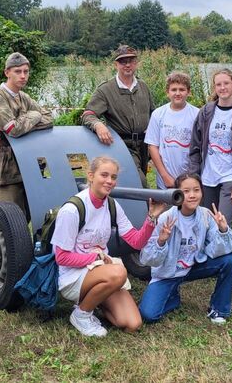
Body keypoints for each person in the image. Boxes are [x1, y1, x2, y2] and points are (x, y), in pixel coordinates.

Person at [51, 156, 167, 337]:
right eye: (104, 175)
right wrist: (96, 257)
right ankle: (81, 314)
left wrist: (152, 217)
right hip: (73, 277)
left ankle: (94, 302)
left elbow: (136, 242)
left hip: (101, 272)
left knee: (132, 323)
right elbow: (62, 258)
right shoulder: (72, 209)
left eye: (113, 177)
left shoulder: (112, 205)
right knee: (119, 272)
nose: (109, 181)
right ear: (90, 176)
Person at [138, 173, 232, 324]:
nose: (192, 195)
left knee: (230, 261)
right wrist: (161, 241)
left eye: (196, 190)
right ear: (177, 194)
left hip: (193, 266)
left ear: (202, 192)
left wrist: (223, 230)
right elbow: (148, 259)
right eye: (186, 191)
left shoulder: (205, 215)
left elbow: (217, 250)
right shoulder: (165, 218)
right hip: (168, 273)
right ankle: (173, 297)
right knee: (148, 315)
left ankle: (219, 309)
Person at [0, 52, 53, 221]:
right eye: (17, 71)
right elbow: (13, 129)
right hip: (8, 166)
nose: (23, 76)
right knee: (11, 219)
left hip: (31, 162)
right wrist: (35, 116)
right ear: (7, 72)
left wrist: (26, 123)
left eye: (26, 71)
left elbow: (50, 119)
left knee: (37, 214)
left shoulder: (24, 97)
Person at [81, 45, 154, 186]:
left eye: (131, 60)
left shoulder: (143, 87)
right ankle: (146, 207)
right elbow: (88, 114)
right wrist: (98, 125)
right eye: (122, 61)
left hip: (144, 146)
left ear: (136, 63)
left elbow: (154, 114)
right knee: (140, 183)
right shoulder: (105, 90)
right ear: (116, 64)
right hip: (122, 146)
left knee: (134, 183)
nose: (127, 65)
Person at [188, 68, 232, 229]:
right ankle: (207, 255)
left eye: (226, 83)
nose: (222, 88)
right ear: (214, 88)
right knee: (206, 223)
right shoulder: (206, 112)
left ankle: (227, 254)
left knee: (223, 223)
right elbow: (195, 146)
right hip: (208, 176)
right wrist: (194, 176)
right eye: (218, 84)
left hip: (230, 177)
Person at [145, 72, 199, 189]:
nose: (178, 93)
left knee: (189, 206)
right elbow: (152, 146)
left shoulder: (196, 114)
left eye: (182, 90)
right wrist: (165, 176)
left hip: (190, 178)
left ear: (188, 92)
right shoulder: (158, 114)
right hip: (165, 180)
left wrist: (192, 176)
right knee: (168, 207)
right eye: (174, 90)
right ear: (167, 92)